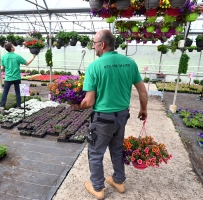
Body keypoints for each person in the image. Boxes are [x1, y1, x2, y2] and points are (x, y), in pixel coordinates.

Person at [71, 30, 148, 199]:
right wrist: (143, 109)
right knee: (117, 149)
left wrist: (78, 106)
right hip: (122, 116)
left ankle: (98, 188)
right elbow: (142, 90)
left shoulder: (94, 67)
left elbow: (89, 102)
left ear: (103, 44)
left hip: (102, 119)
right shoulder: (129, 63)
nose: (93, 47)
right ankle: (119, 181)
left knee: (96, 153)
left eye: (95, 44)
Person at [0, 42, 37, 113]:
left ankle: (2, 106)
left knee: (5, 93)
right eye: (13, 46)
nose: (14, 47)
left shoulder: (3, 57)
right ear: (11, 48)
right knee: (18, 92)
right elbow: (27, 63)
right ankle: (19, 106)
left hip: (8, 78)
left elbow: (2, 67)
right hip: (17, 78)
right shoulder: (17, 56)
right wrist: (33, 57)